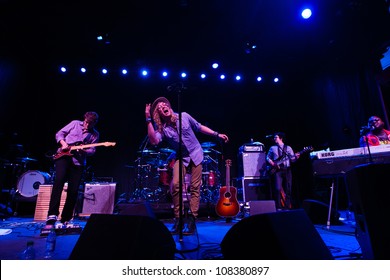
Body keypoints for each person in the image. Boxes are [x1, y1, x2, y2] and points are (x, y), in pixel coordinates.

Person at [145, 96, 229, 235]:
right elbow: (154, 141)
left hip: (196, 153)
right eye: (158, 108)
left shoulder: (184, 116)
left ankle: (192, 220)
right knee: (176, 185)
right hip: (181, 157)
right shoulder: (162, 129)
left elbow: (199, 127)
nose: (162, 107)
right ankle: (178, 219)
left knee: (195, 187)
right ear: (158, 114)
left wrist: (216, 134)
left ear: (169, 107)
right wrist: (148, 119)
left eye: (163, 105)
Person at [45, 111, 100, 227]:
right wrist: (63, 143)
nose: (87, 126)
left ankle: (66, 218)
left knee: (73, 190)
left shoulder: (95, 135)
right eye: (86, 123)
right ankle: (52, 215)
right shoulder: (75, 124)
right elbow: (60, 133)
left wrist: (83, 150)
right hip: (63, 157)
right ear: (84, 119)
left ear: (94, 123)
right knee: (58, 183)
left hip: (78, 162)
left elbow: (92, 150)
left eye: (90, 124)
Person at [266, 132, 300, 210]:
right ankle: (278, 207)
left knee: (288, 188)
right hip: (277, 171)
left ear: (281, 138)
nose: (274, 139)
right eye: (274, 137)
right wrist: (272, 163)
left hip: (287, 170)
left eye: (276, 137)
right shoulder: (272, 148)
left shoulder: (288, 148)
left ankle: (287, 207)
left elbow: (292, 160)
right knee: (277, 189)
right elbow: (267, 157)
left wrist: (296, 157)